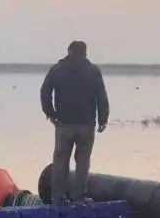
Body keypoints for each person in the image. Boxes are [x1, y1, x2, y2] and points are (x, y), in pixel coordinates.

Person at [40, 41, 109, 204]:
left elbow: (44, 91)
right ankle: (79, 198)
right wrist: (103, 119)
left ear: (69, 51)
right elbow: (102, 96)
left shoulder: (57, 69)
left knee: (60, 162)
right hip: (86, 125)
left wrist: (50, 113)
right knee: (83, 162)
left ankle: (57, 198)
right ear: (85, 52)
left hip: (63, 124)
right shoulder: (93, 71)